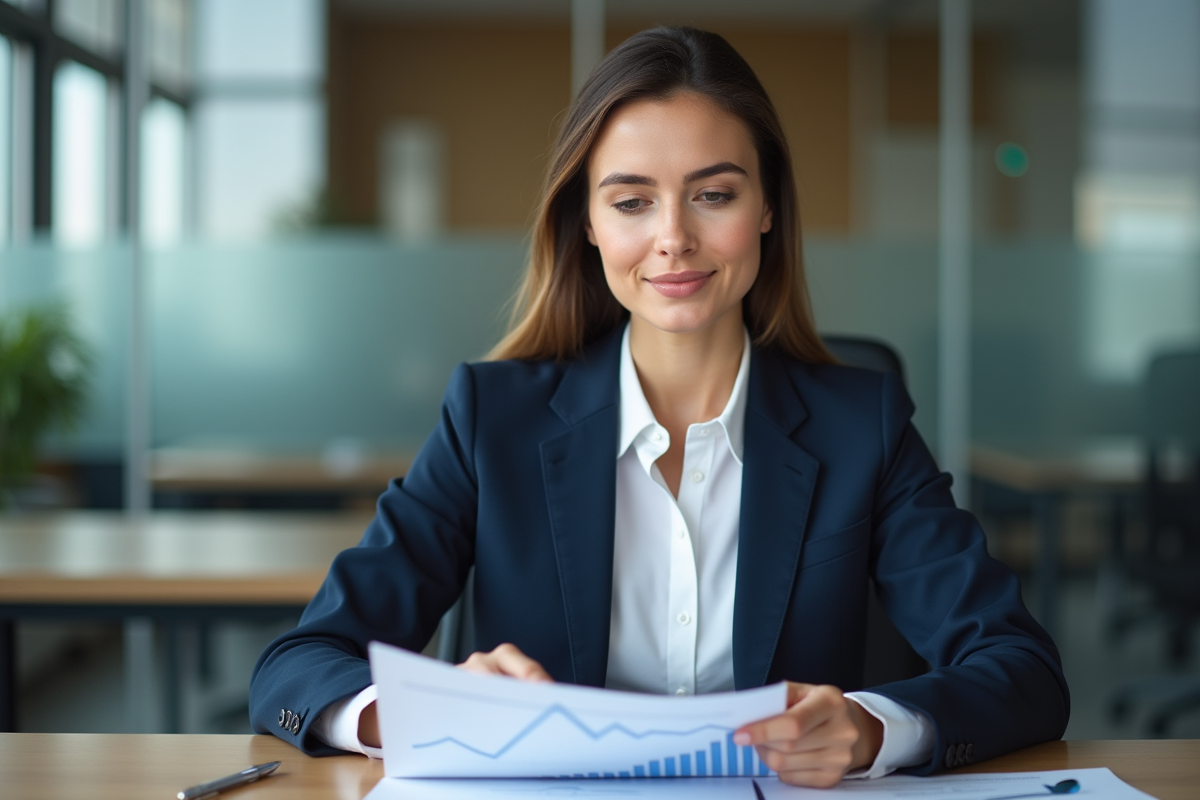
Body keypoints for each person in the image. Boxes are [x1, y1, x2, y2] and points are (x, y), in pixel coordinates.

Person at [250, 26, 1068, 788]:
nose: (673, 237)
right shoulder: (491, 420)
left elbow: (1019, 667)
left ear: (768, 209)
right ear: (589, 226)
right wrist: (416, 711)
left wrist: (872, 728)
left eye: (713, 194)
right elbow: (301, 660)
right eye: (632, 201)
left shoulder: (865, 426)